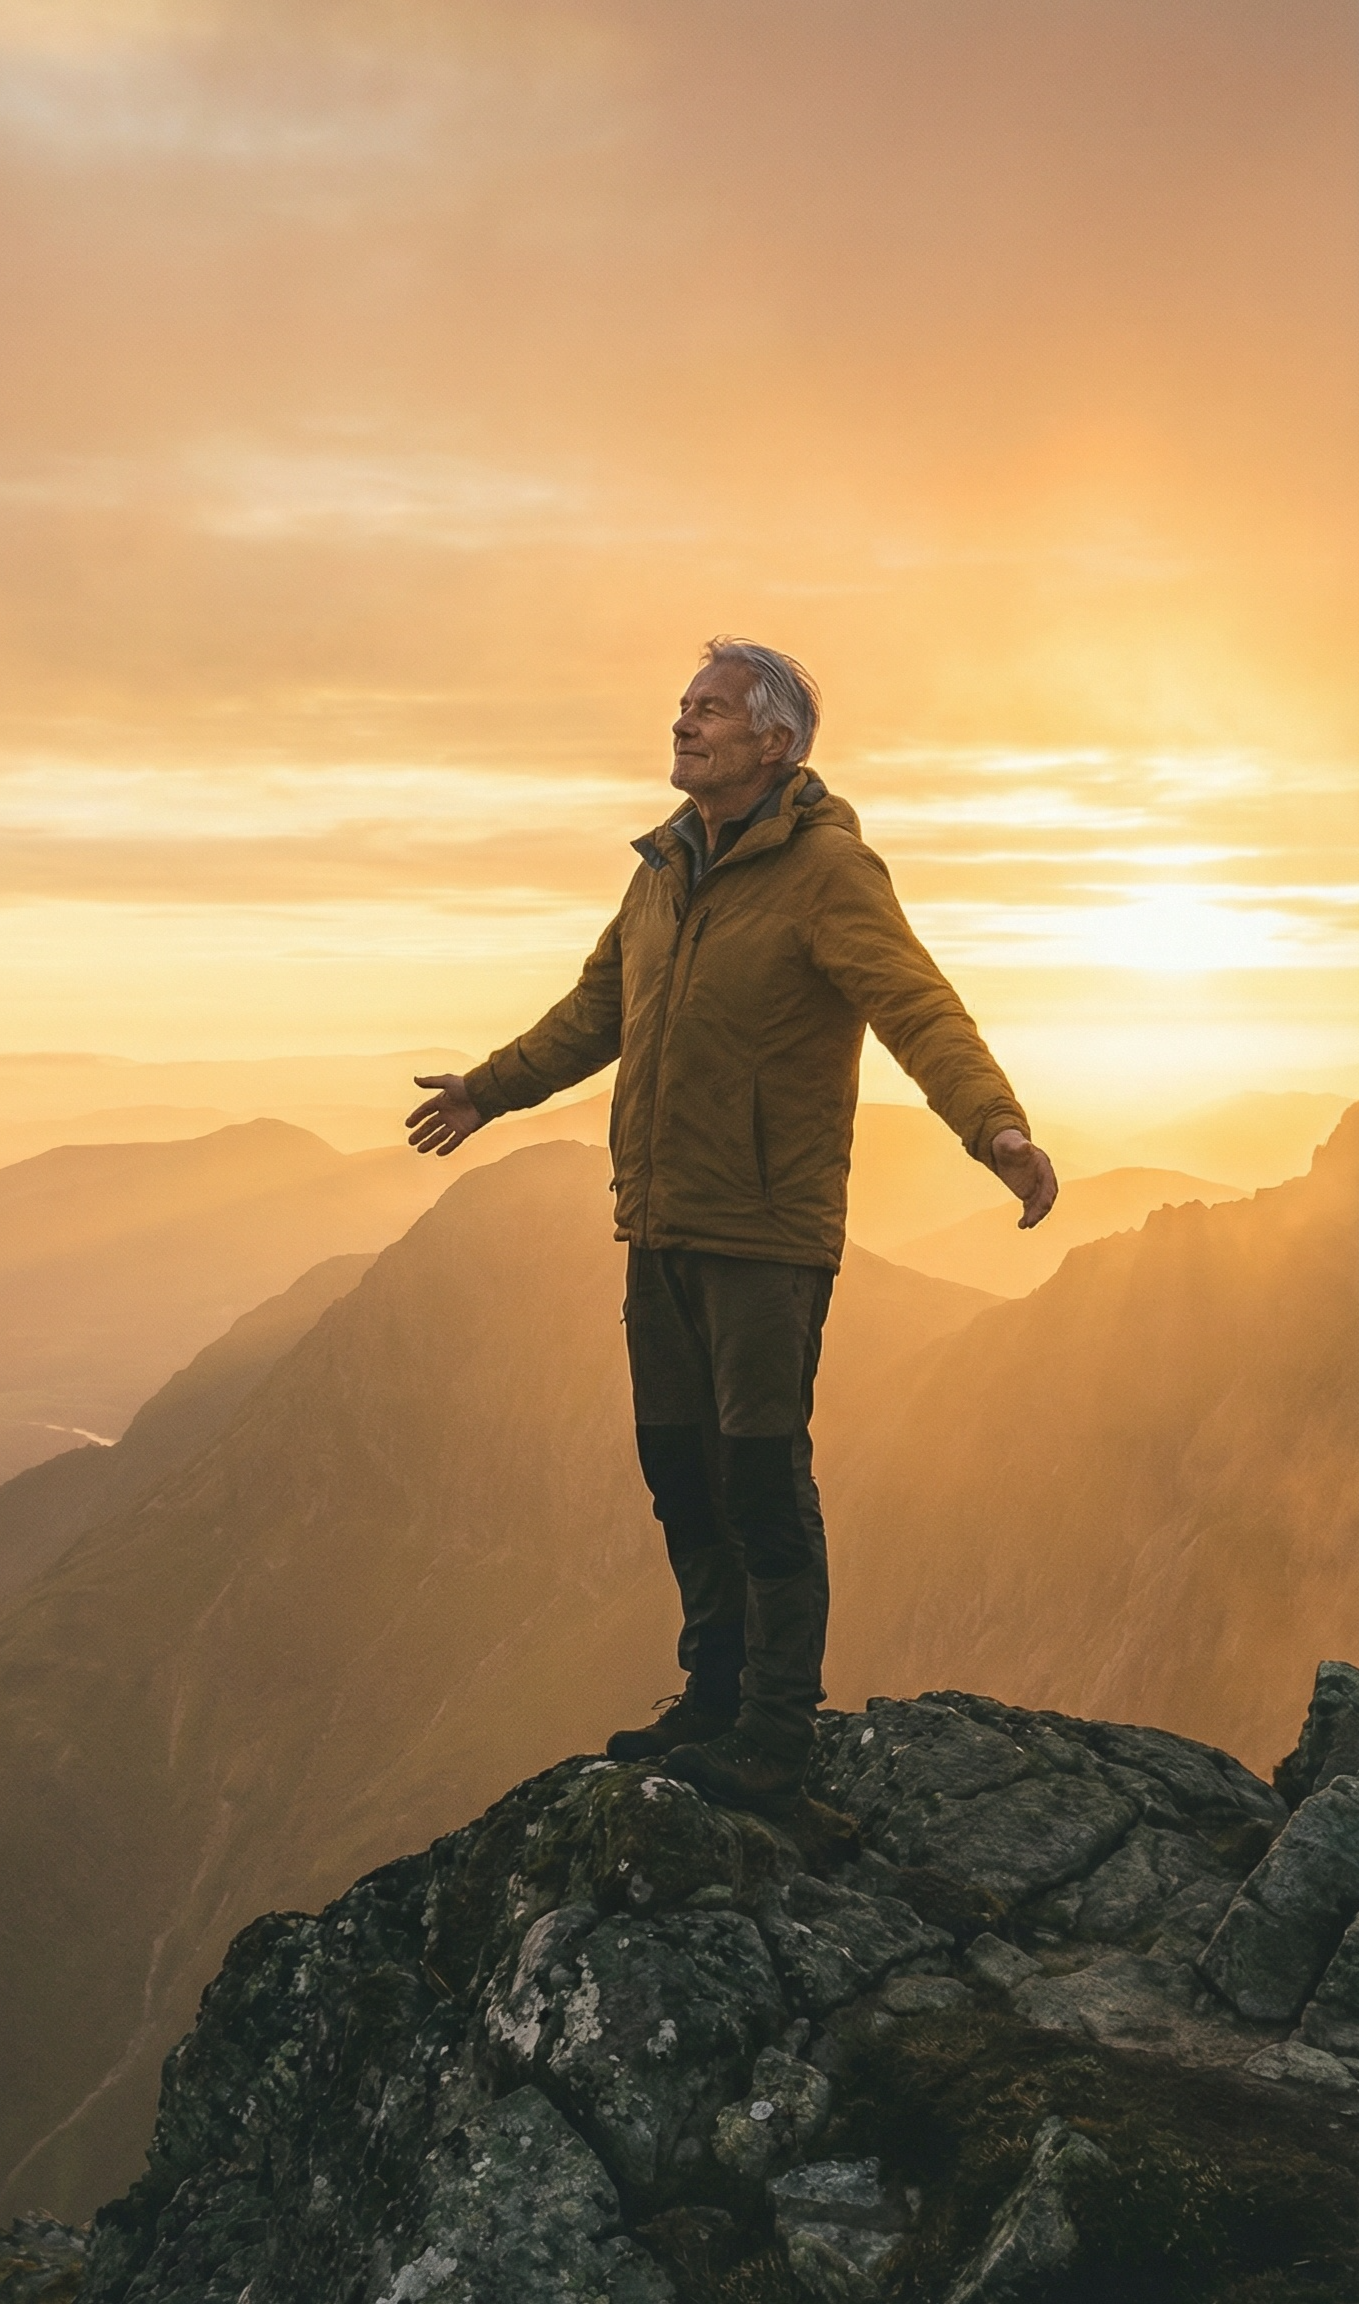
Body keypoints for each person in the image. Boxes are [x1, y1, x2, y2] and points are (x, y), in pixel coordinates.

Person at [407, 638, 1056, 1815]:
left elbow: (917, 1005)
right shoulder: (663, 871)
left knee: (760, 1480)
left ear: (776, 742)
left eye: (708, 710)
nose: (683, 723)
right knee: (680, 1470)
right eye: (682, 706)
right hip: (657, 1223)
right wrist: (487, 1088)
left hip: (764, 1231)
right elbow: (596, 1009)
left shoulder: (827, 872)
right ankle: (709, 1691)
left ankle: (773, 1730)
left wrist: (996, 1129)